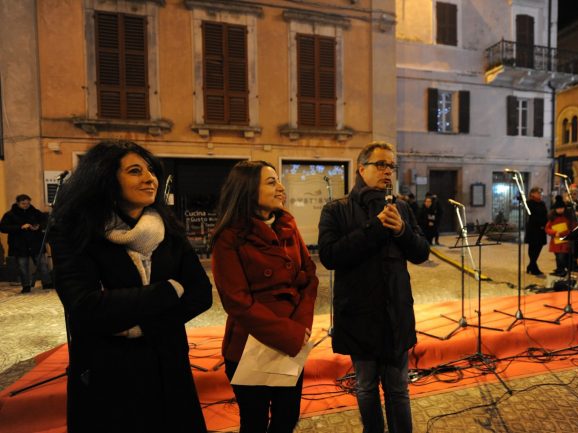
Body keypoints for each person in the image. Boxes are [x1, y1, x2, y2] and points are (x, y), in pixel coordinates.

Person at [49, 140, 212, 433]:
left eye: (151, 171)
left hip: (167, 363)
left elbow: (200, 294)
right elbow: (85, 306)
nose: (150, 179)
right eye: (135, 171)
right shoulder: (75, 232)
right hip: (108, 370)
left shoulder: (169, 230)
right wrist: (168, 290)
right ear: (105, 178)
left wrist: (140, 326)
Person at [318, 141, 430, 433]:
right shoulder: (336, 209)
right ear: (361, 168)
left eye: (391, 166)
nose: (387, 171)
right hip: (359, 316)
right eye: (381, 164)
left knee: (398, 389)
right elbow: (329, 256)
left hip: (396, 315)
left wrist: (402, 231)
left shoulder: (401, 208)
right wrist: (375, 228)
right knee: (366, 387)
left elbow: (421, 252)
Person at [211, 160, 318, 433]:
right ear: (247, 189)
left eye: (279, 180)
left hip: (292, 341)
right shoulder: (229, 237)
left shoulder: (287, 225)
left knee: (287, 418)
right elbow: (236, 300)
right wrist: (288, 333)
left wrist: (300, 327)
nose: (281, 187)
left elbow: (309, 275)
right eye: (271, 182)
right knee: (254, 423)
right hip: (250, 346)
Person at [0, 194, 53, 293]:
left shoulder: (35, 212)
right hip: (19, 245)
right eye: (23, 203)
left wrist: (38, 226)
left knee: (42, 264)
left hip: (36, 243)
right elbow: (3, 228)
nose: (26, 205)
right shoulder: (10, 214)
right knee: (23, 266)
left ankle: (47, 283)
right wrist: (20, 227)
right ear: (18, 203)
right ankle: (26, 286)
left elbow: (45, 221)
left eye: (28, 203)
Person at [545, 196, 573, 277]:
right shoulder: (552, 218)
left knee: (562, 257)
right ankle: (559, 269)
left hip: (564, 241)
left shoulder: (567, 218)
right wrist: (554, 232)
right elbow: (547, 228)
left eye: (561, 208)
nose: (560, 210)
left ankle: (562, 270)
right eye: (558, 208)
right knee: (557, 256)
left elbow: (571, 229)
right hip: (556, 241)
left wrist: (561, 234)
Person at [524, 186, 547, 277]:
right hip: (533, 228)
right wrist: (540, 222)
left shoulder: (542, 203)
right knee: (533, 247)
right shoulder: (529, 203)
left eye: (541, 193)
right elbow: (531, 216)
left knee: (539, 247)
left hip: (541, 229)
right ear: (532, 194)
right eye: (538, 193)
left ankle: (531, 266)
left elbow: (545, 214)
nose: (540, 194)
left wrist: (545, 223)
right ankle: (534, 267)